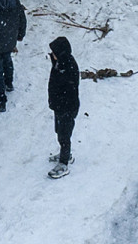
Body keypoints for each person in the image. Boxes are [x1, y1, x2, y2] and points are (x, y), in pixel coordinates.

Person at [47, 36, 80, 178]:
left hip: (66, 107)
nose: (52, 54)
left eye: (54, 52)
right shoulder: (59, 63)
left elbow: (69, 90)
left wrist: (61, 105)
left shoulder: (68, 66)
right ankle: (64, 153)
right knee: (58, 131)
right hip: (59, 107)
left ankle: (64, 162)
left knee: (64, 135)